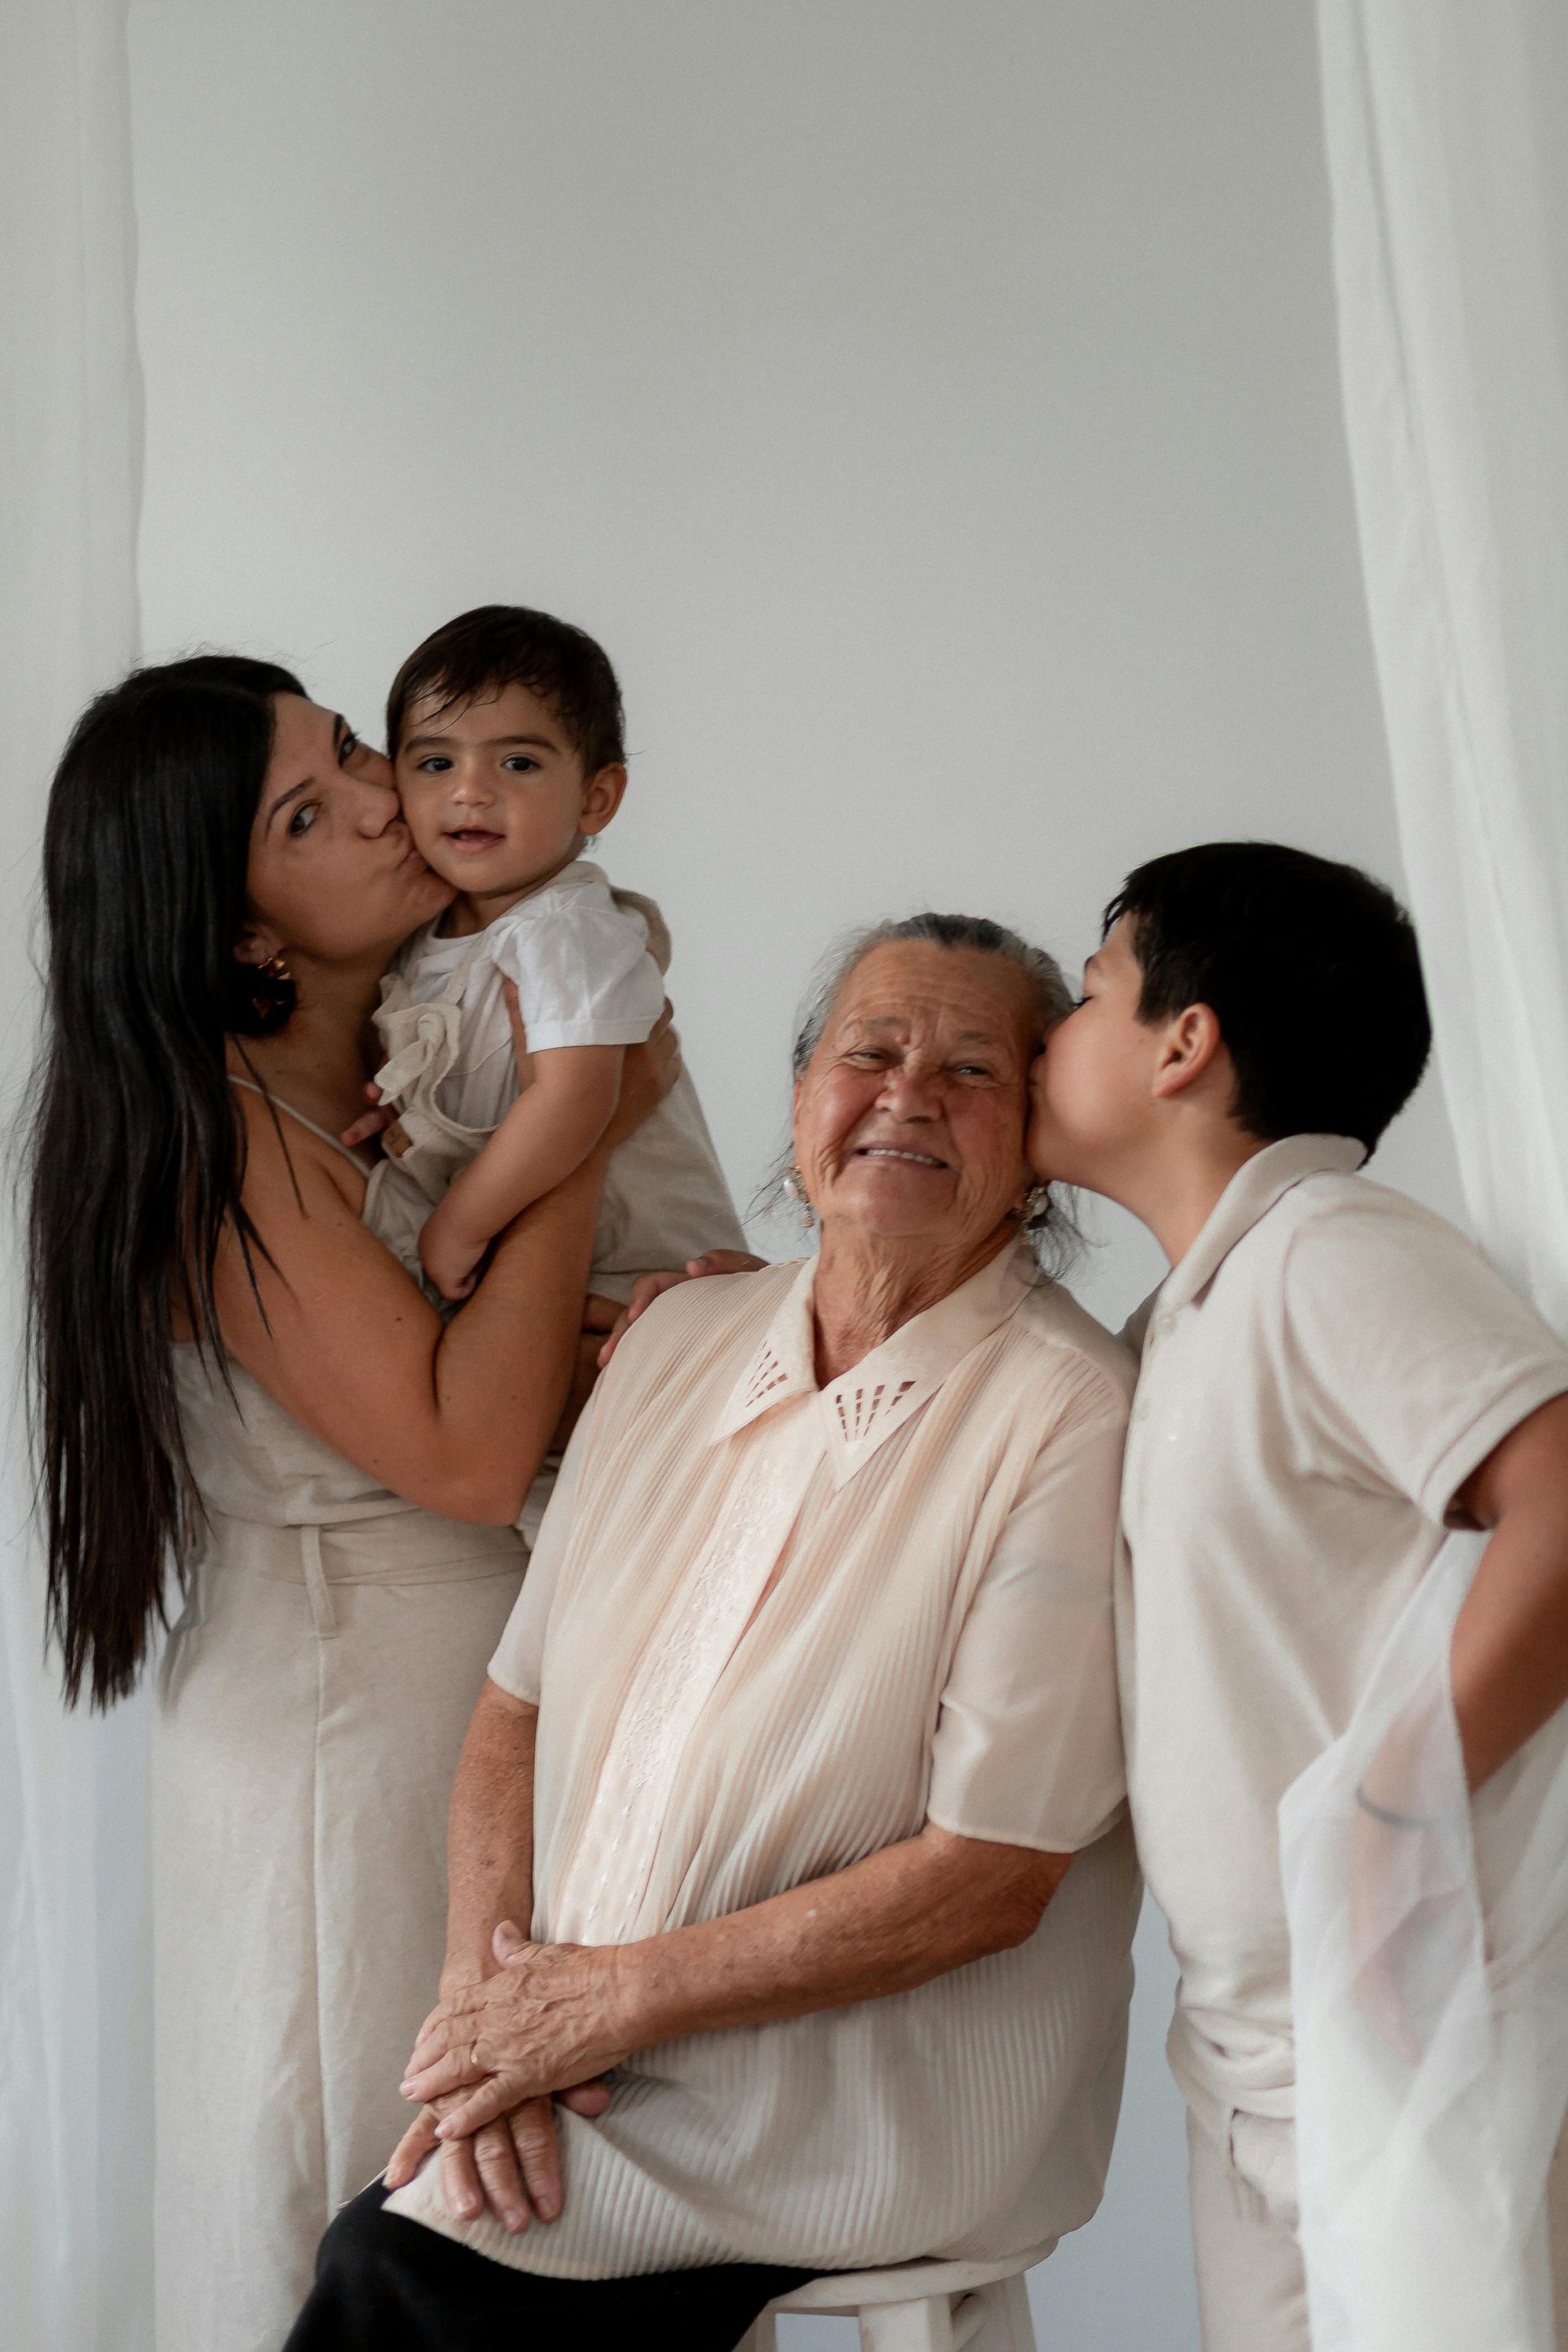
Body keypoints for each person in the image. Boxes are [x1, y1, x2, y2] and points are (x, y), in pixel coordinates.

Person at [288, 913, 1143, 2352]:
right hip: (593, 2041)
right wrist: (489, 2009)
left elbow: (987, 1877)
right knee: (404, 2232)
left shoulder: (1069, 1409)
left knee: (407, 2271)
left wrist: (602, 2009)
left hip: (847, 2080)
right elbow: (515, 1710)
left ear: (1038, 1138)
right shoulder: (677, 1340)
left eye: (973, 1070)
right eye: (867, 1051)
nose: (907, 1094)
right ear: (806, 1091)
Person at [25, 656, 679, 2352]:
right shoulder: (223, 1136)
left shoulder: (405, 1064)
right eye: (308, 815)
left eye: (352, 755)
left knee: (533, 2207)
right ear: (243, 932)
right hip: (350, 1736)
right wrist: (587, 1113)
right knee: (370, 2197)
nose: (397, 801)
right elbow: (466, 1448)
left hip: (473, 1691)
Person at [1026, 841, 1568, 2352]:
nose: (1047, 1042)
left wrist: (1394, 1819)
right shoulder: (1185, 1316)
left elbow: (1565, 1509)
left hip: (1409, 2027)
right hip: (1256, 2048)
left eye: (1084, 997)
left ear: (1184, 1044)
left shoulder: (1330, 1250)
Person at [365, 604, 743, 1319]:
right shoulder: (424, 938)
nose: (471, 790)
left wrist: (459, 1226)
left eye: (518, 763)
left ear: (596, 798)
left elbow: (574, 1096)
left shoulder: (563, 926)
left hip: (645, 1273)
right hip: (538, 1277)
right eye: (437, 762)